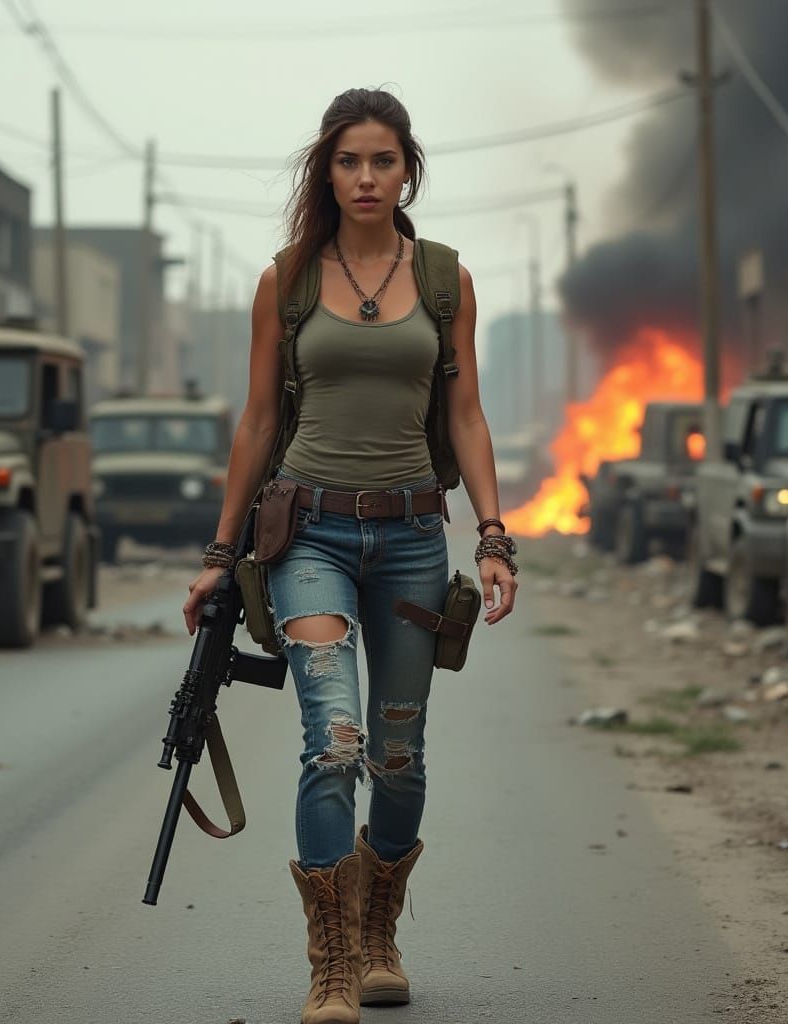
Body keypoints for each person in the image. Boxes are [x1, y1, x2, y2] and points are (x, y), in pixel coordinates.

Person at [182, 87, 519, 1024]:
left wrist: (492, 537)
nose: (365, 177)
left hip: (413, 538)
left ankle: (378, 932)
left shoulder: (445, 279)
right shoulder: (287, 279)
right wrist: (220, 551)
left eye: (382, 160)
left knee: (399, 757)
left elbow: (465, 413)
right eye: (347, 160)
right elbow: (256, 421)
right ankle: (330, 961)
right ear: (325, 171)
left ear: (407, 168)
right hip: (310, 534)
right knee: (334, 741)